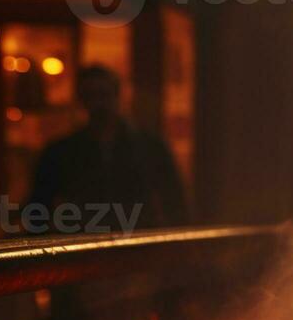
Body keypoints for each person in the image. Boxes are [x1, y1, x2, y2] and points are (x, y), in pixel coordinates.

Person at [28, 65, 188, 232]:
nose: (99, 103)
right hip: (88, 243)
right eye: (91, 96)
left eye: (104, 94)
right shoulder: (61, 152)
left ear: (117, 96)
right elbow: (39, 207)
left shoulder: (150, 147)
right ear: (82, 100)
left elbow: (175, 202)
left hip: (135, 244)